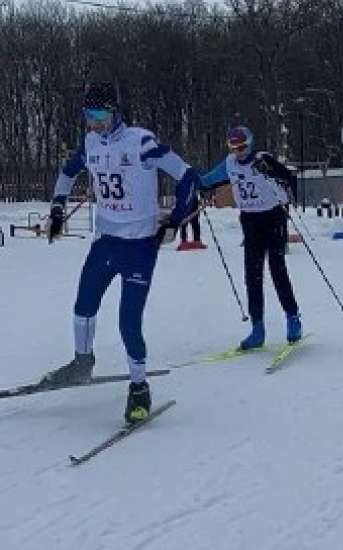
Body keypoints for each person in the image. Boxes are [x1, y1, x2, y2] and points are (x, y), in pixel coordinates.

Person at [42, 82, 198, 423]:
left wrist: (175, 219)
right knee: (83, 307)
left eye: (100, 115)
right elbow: (68, 173)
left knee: (128, 321)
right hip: (106, 240)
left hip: (140, 245)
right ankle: (82, 362)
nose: (94, 123)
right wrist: (57, 209)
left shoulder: (141, 142)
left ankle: (139, 387)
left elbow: (187, 175)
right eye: (88, 116)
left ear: (116, 113)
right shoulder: (90, 143)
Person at [199, 126, 302, 350]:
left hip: (273, 217)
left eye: (242, 147)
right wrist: (194, 182)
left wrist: (273, 173)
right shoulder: (229, 163)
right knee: (252, 275)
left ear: (250, 143)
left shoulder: (262, 159)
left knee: (277, 270)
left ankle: (293, 318)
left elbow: (288, 177)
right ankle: (257, 328)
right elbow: (209, 179)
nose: (239, 152)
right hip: (250, 220)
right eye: (233, 147)